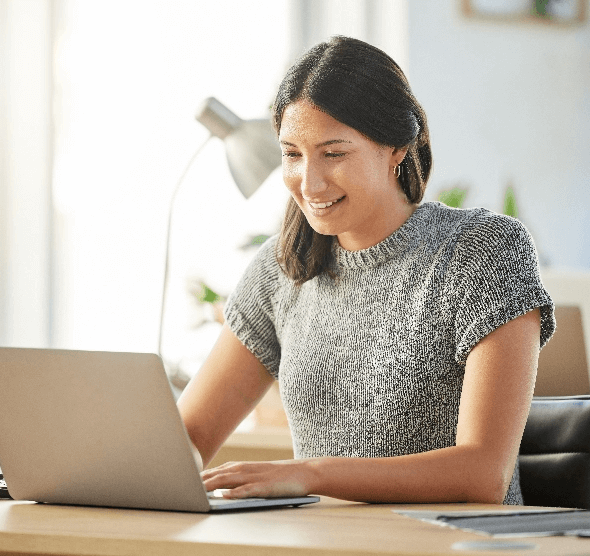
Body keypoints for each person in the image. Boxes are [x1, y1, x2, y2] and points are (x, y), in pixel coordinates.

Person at [178, 35, 555, 505]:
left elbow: (483, 474)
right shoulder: (281, 272)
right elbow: (184, 443)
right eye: (292, 154)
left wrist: (311, 474)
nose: (309, 182)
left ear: (396, 147)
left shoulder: (482, 250)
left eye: (333, 153)